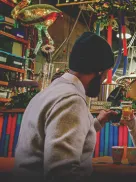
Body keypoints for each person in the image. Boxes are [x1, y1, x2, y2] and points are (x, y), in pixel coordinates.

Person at [13, 32, 117, 181]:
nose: (105, 79)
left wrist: (98, 123)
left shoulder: (49, 93)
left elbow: (58, 134)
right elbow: (61, 172)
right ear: (98, 71)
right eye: (105, 73)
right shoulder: (71, 101)